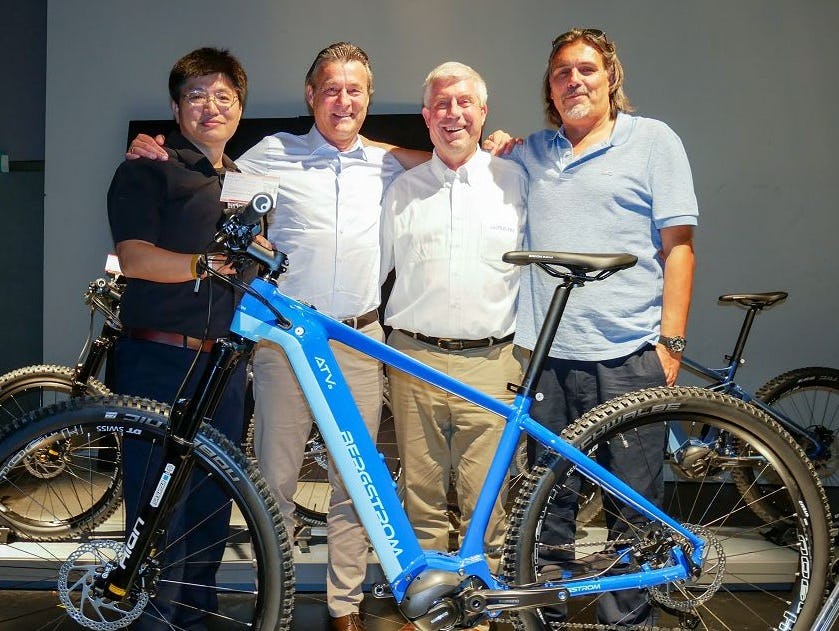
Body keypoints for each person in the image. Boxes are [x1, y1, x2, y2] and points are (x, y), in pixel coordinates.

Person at [128, 41, 411, 631]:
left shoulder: (386, 162)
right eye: (330, 88)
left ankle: (345, 606)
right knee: (272, 482)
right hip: (283, 344)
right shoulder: (271, 155)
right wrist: (151, 146)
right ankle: (275, 597)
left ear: (368, 98)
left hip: (358, 340)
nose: (342, 100)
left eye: (354, 89)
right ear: (311, 96)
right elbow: (208, 170)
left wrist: (487, 146)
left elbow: (436, 158)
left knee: (354, 483)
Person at [485, 28, 698, 627]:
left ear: (611, 79)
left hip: (630, 357)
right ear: (549, 90)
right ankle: (546, 618)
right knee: (547, 511)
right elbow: (465, 161)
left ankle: (631, 621)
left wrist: (671, 345)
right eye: (561, 73)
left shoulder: (654, 141)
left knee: (633, 511)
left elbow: (678, 249)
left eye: (586, 70)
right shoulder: (533, 152)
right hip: (550, 358)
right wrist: (497, 142)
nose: (574, 80)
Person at [107, 47, 251, 630]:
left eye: (223, 96)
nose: (210, 106)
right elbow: (134, 255)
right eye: (196, 95)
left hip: (225, 373)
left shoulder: (246, 182)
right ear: (176, 107)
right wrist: (203, 265)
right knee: (155, 513)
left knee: (210, 518)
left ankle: (194, 622)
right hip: (157, 362)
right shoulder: (148, 168)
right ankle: (148, 621)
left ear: (240, 108)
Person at [380, 63, 525, 619]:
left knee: (487, 508)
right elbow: (371, 276)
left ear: (483, 112)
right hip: (412, 359)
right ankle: (430, 616)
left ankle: (480, 612)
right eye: (440, 104)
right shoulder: (402, 191)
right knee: (419, 501)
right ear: (426, 116)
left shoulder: (516, 183)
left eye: (464, 103)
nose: (453, 114)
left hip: (493, 364)